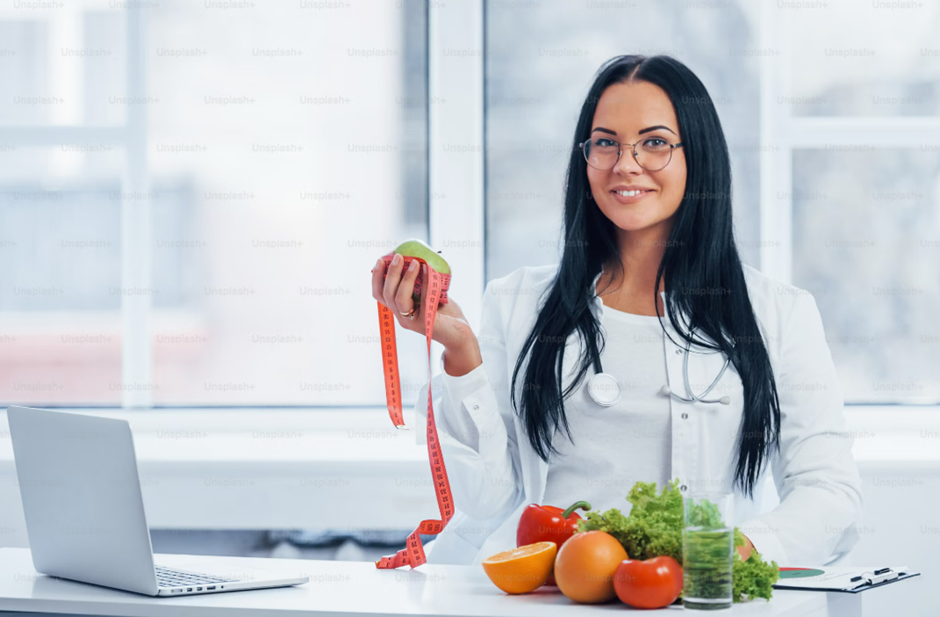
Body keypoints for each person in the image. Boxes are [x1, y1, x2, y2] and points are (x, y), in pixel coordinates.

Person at [370, 54, 863, 568]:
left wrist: (723, 554)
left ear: (699, 155)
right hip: (548, 600)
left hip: (688, 598)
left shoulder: (779, 315)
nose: (625, 164)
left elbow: (831, 494)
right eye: (605, 143)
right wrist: (461, 354)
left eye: (654, 142)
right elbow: (487, 500)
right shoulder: (516, 303)